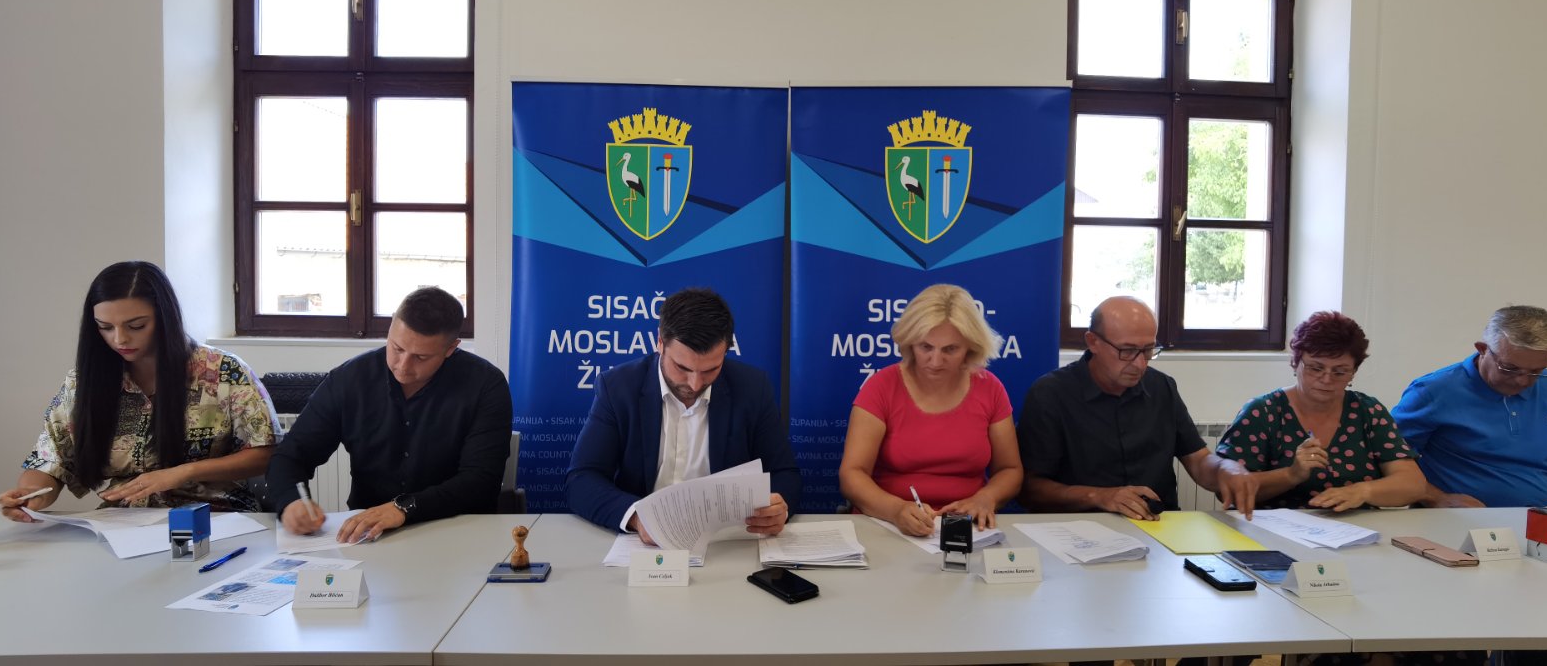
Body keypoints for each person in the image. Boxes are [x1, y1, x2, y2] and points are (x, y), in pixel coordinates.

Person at [0, 261, 279, 521]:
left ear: (165, 317)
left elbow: (264, 452)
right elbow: (51, 459)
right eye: (105, 327)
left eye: (136, 326)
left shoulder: (223, 372)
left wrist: (183, 473)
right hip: (123, 522)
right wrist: (30, 495)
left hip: (216, 516)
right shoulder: (84, 382)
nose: (119, 339)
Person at [266, 287, 512, 542]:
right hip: (369, 537)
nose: (403, 366)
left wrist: (404, 508)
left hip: (458, 531)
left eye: (421, 357)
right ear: (391, 326)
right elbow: (291, 455)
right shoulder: (350, 380)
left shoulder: (485, 385)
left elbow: (480, 481)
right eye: (397, 348)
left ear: (451, 348)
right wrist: (291, 501)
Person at [566, 288, 798, 542]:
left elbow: (786, 474)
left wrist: (778, 509)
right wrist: (637, 518)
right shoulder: (618, 388)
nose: (695, 384)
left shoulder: (752, 388)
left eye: (711, 369)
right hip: (642, 547)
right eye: (682, 367)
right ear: (660, 342)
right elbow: (581, 479)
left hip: (726, 544)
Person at [1018, 296, 1257, 520]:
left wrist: (1224, 468)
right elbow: (1030, 489)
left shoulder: (1161, 387)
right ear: (1093, 342)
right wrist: (1099, 496)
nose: (1140, 364)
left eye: (1148, 350)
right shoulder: (1051, 393)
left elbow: (1198, 461)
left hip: (1158, 525)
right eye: (1128, 351)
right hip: (1080, 526)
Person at [838, 283, 1021, 535]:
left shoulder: (990, 388)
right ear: (910, 342)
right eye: (925, 347)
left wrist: (987, 497)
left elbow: (1010, 470)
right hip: (888, 524)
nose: (935, 361)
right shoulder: (881, 386)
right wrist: (895, 510)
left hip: (967, 527)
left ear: (971, 346)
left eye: (950, 349)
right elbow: (852, 474)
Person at [1217, 311, 1427, 510]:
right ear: (1295, 363)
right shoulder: (1263, 412)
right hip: (1279, 528)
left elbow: (1413, 484)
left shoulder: (1368, 411)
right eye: (1315, 368)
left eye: (1340, 372)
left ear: (1353, 372)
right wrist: (1291, 475)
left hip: (1355, 528)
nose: (1326, 379)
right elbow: (1228, 488)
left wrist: (1362, 491)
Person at [1393, 305, 1547, 508]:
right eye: (1510, 368)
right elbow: (1388, 462)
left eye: (1536, 371)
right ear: (1482, 349)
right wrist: (1437, 498)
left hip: (1543, 519)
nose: (1523, 381)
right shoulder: (1432, 391)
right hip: (1456, 519)